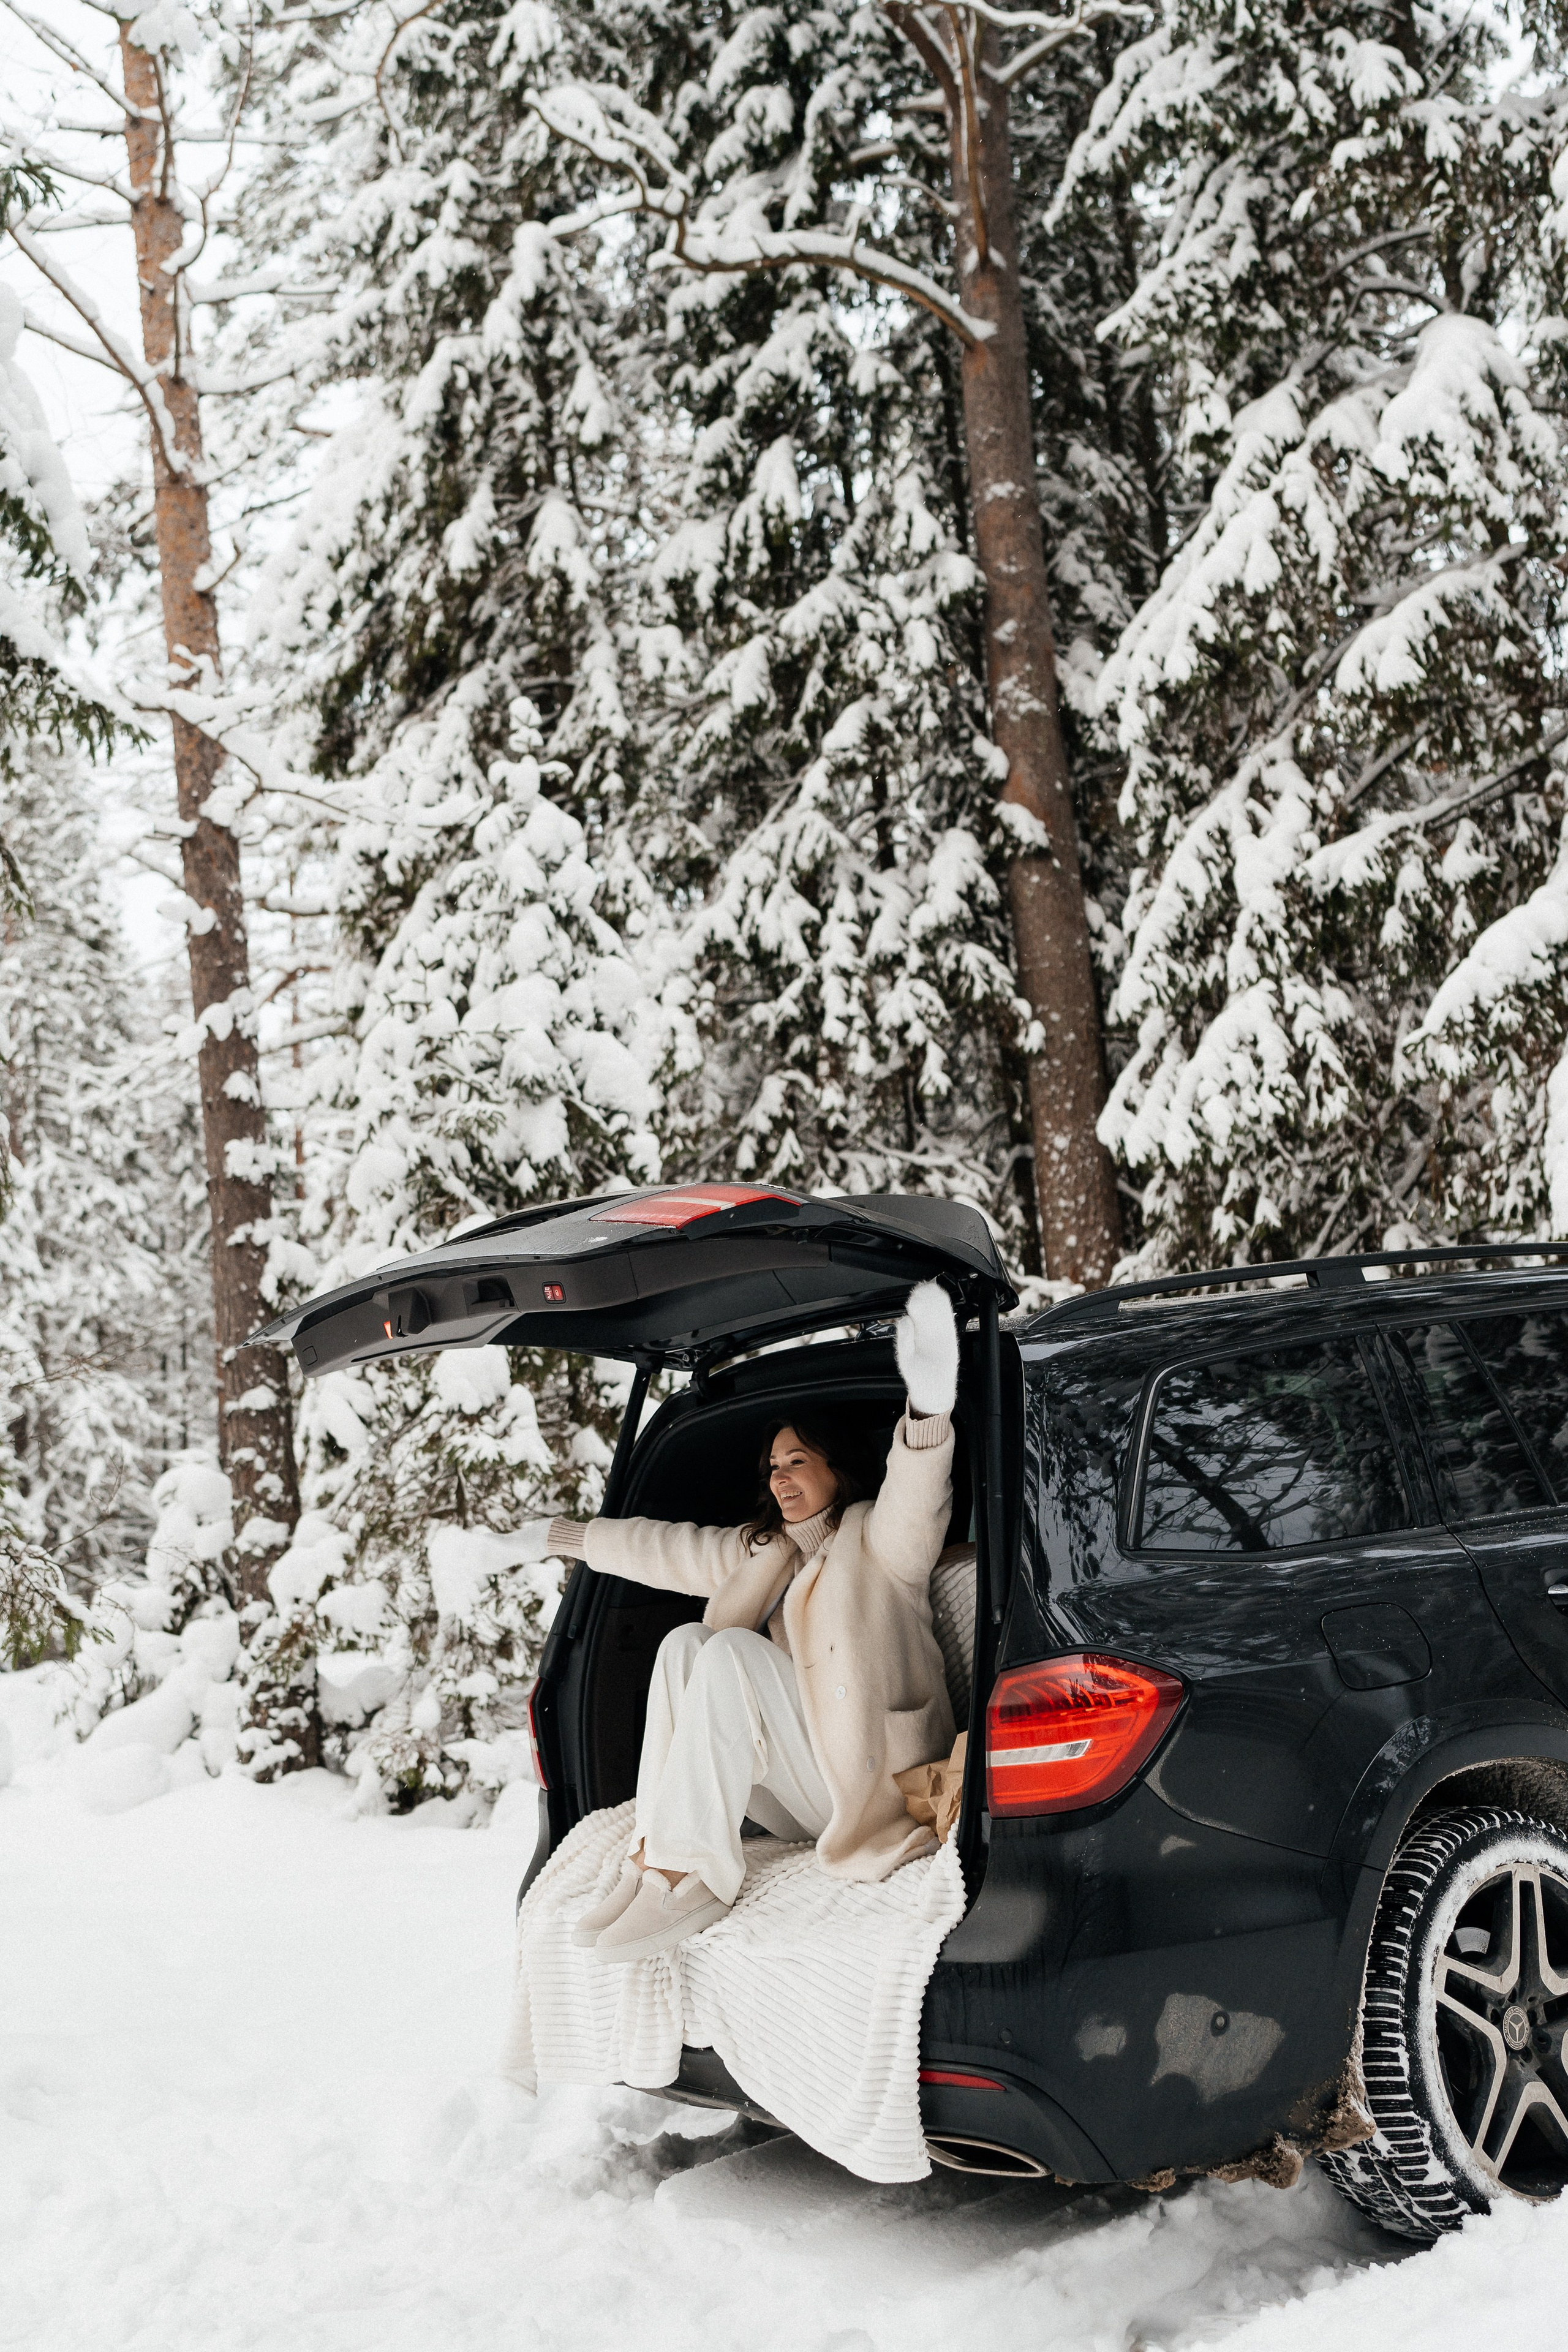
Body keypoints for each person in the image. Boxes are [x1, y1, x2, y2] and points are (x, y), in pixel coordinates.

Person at [516, 1280, 962, 1965]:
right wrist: (561, 1537)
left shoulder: (881, 1542)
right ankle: (655, 1860)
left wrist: (928, 1405)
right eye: (773, 1467)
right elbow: (662, 1549)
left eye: (798, 1462)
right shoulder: (766, 1551)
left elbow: (917, 1491)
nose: (781, 1478)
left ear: (836, 1471)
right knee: (688, 1643)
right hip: (807, 1785)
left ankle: (690, 1877)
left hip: (875, 1788)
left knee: (729, 1654)